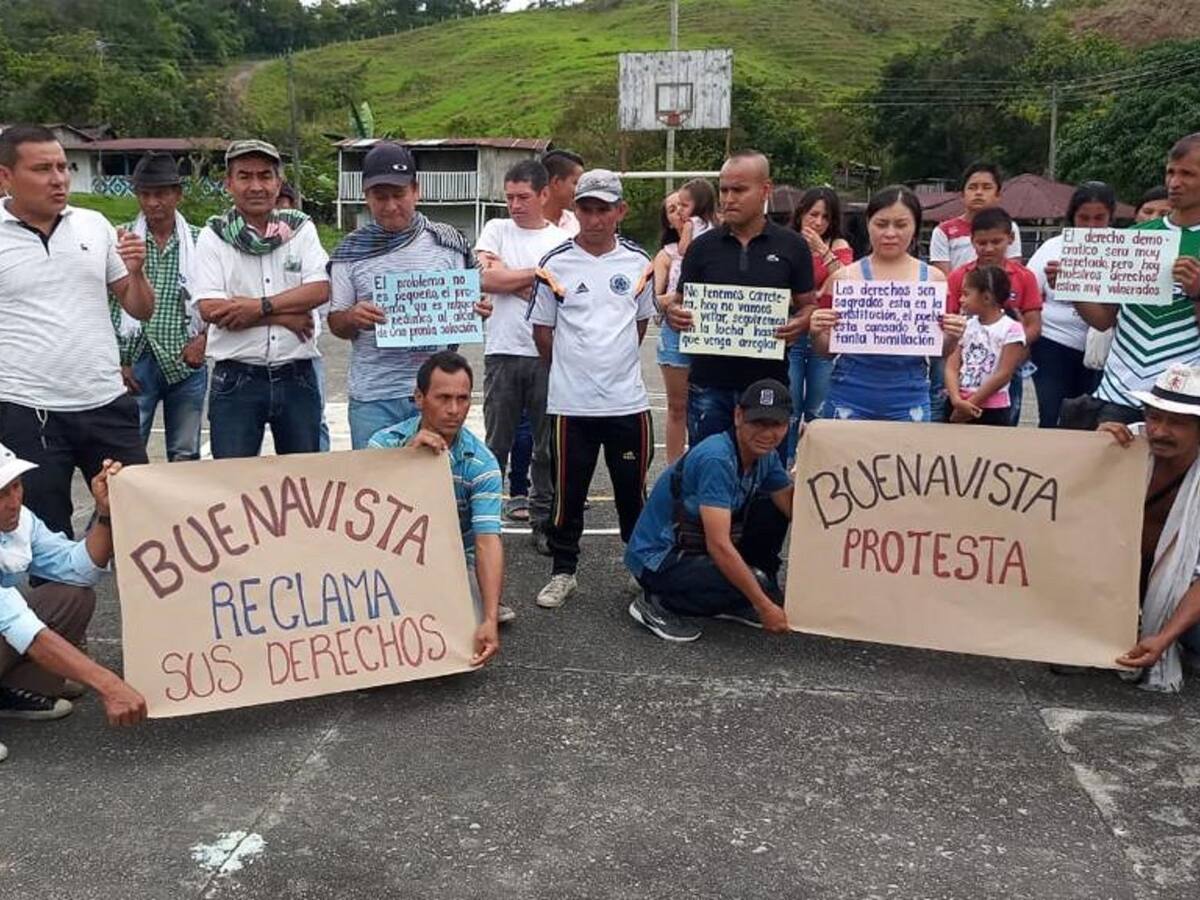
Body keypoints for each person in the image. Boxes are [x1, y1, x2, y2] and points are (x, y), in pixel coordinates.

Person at [0, 124, 153, 539]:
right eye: (42, 169)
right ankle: (54, 605)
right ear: (5, 176)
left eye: (63, 167)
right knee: (42, 532)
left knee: (138, 519)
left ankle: (144, 606)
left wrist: (137, 274)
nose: (59, 179)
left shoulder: (94, 225)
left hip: (105, 402)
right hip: (27, 411)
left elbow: (139, 307)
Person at [527, 170, 656, 610]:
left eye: (605, 209)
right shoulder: (554, 263)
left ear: (621, 211)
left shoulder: (640, 262)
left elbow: (638, 325)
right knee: (569, 494)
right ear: (574, 210)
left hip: (627, 403)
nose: (595, 218)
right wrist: (573, 370)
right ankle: (564, 571)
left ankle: (640, 570)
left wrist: (610, 366)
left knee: (631, 492)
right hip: (570, 404)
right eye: (587, 208)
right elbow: (543, 333)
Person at [0, 444, 147, 761]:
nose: (15, 502)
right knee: (20, 624)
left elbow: (77, 568)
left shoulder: (21, 520)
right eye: (2, 494)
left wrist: (105, 512)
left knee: (71, 596)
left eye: (17, 486)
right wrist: (109, 684)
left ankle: (7, 694)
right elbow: (25, 630)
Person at [664, 151, 815, 449]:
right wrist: (675, 313)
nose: (729, 198)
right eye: (724, 190)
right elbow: (678, 302)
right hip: (710, 384)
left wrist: (801, 322)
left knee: (766, 481)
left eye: (739, 190)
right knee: (709, 471)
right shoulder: (702, 247)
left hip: (767, 386)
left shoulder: (792, 246)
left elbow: (808, 303)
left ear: (765, 190)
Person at [625, 379, 794, 642]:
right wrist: (763, 605)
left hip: (694, 545)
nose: (767, 433)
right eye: (757, 423)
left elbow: (792, 509)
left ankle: (733, 592)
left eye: (776, 425)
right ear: (738, 416)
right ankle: (658, 601)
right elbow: (719, 546)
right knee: (754, 586)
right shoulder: (717, 458)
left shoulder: (766, 456)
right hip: (658, 556)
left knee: (771, 510)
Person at [327, 142, 473, 449]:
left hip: (436, 395)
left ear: (415, 191)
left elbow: (465, 307)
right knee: (373, 486)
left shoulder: (448, 244)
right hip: (374, 397)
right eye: (380, 197)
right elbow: (336, 323)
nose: (391, 205)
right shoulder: (349, 252)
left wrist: (475, 309)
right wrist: (353, 317)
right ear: (366, 196)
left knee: (432, 486)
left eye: (399, 195)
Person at [192, 140, 329, 459]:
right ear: (228, 184)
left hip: (298, 376)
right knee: (233, 486)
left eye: (265, 176)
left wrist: (255, 307)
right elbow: (210, 308)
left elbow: (320, 289)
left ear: (278, 183)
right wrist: (282, 315)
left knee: (302, 482)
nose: (256, 186)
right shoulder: (213, 236)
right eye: (245, 176)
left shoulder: (301, 230)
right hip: (237, 378)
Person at [368, 351, 511, 642]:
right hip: (391, 558)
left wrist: (489, 619)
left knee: (460, 632)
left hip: (454, 561)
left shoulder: (481, 464)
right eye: (443, 398)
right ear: (419, 398)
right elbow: (363, 522)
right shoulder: (383, 444)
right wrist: (406, 460)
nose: (454, 409)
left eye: (462, 399)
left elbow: (486, 541)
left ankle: (484, 601)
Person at [1074, 134, 1200, 426]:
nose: (1174, 182)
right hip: (1118, 391)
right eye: (1171, 172)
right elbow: (1104, 319)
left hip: (1183, 396)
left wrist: (1196, 293)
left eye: (1187, 174)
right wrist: (1073, 288)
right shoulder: (1135, 238)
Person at [810, 185, 963, 421]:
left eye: (901, 225)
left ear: (915, 227)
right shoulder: (844, 278)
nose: (890, 233)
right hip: (849, 394)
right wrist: (817, 332)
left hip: (908, 397)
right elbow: (827, 351)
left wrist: (952, 335)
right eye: (881, 224)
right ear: (868, 224)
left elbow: (940, 350)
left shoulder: (934, 279)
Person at [473, 159, 566, 527]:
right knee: (495, 443)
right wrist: (538, 275)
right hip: (501, 351)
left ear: (544, 195)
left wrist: (507, 273)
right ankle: (485, 520)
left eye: (523, 197)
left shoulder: (561, 240)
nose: (515, 205)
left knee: (546, 447)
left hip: (545, 353)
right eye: (510, 197)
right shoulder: (495, 229)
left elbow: (561, 295)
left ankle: (543, 518)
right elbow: (484, 279)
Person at [1100, 364, 1200, 692]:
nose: (1158, 431)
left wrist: (1164, 638)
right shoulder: (1126, 442)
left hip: (1182, 582)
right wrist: (1090, 453)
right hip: (1122, 570)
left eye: (1177, 423)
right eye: (1154, 417)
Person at [109, 152, 207, 461]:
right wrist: (118, 360)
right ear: (136, 195)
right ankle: (124, 510)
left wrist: (204, 341)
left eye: (161, 193)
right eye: (145, 194)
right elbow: (108, 303)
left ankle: (182, 511)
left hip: (186, 359)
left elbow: (218, 297)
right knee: (127, 451)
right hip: (135, 360)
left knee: (185, 452)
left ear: (177, 194)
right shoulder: (121, 240)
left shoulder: (201, 241)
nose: (153, 202)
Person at [1025, 182, 1115, 427]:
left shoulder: (1122, 253)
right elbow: (1027, 293)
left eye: (1099, 218)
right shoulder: (1052, 248)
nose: (1091, 226)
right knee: (1052, 415)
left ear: (1110, 218)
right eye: (1084, 217)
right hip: (1054, 344)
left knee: (1094, 418)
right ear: (1072, 217)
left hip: (1105, 349)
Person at [945, 206, 1043, 424]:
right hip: (963, 375)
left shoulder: (1024, 276)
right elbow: (951, 320)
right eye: (981, 243)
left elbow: (1034, 323)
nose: (989, 248)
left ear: (1010, 238)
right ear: (972, 241)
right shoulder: (959, 276)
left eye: (996, 242)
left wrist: (1011, 348)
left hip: (1007, 370)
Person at [653, 179, 718, 463]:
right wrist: (670, 304)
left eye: (683, 205)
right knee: (678, 406)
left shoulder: (718, 235)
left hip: (713, 329)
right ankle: (674, 469)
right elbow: (655, 298)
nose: (679, 212)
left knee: (710, 404)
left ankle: (704, 463)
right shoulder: (666, 254)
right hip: (676, 331)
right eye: (672, 208)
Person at [788, 186, 852, 456]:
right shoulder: (787, 241)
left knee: (817, 404)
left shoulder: (839, 246)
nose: (818, 222)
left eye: (825, 217)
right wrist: (815, 293)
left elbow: (848, 280)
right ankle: (785, 460)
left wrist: (822, 251)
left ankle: (814, 461)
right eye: (813, 214)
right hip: (792, 328)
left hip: (825, 332)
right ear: (801, 213)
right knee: (789, 402)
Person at [944, 266, 1026, 425]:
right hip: (957, 402)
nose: (961, 300)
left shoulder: (1011, 329)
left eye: (966, 294)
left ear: (987, 297)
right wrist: (956, 400)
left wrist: (972, 403)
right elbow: (951, 366)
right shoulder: (965, 325)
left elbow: (1004, 374)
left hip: (992, 408)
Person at [929, 162, 1023, 274]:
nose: (978, 193)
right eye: (972, 187)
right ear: (962, 195)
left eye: (986, 187)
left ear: (998, 195)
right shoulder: (943, 231)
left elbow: (1014, 273)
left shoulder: (1010, 227)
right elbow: (943, 279)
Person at [541, 148, 584, 237]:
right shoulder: (526, 224)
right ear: (556, 182)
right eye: (576, 183)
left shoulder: (579, 224)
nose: (580, 190)